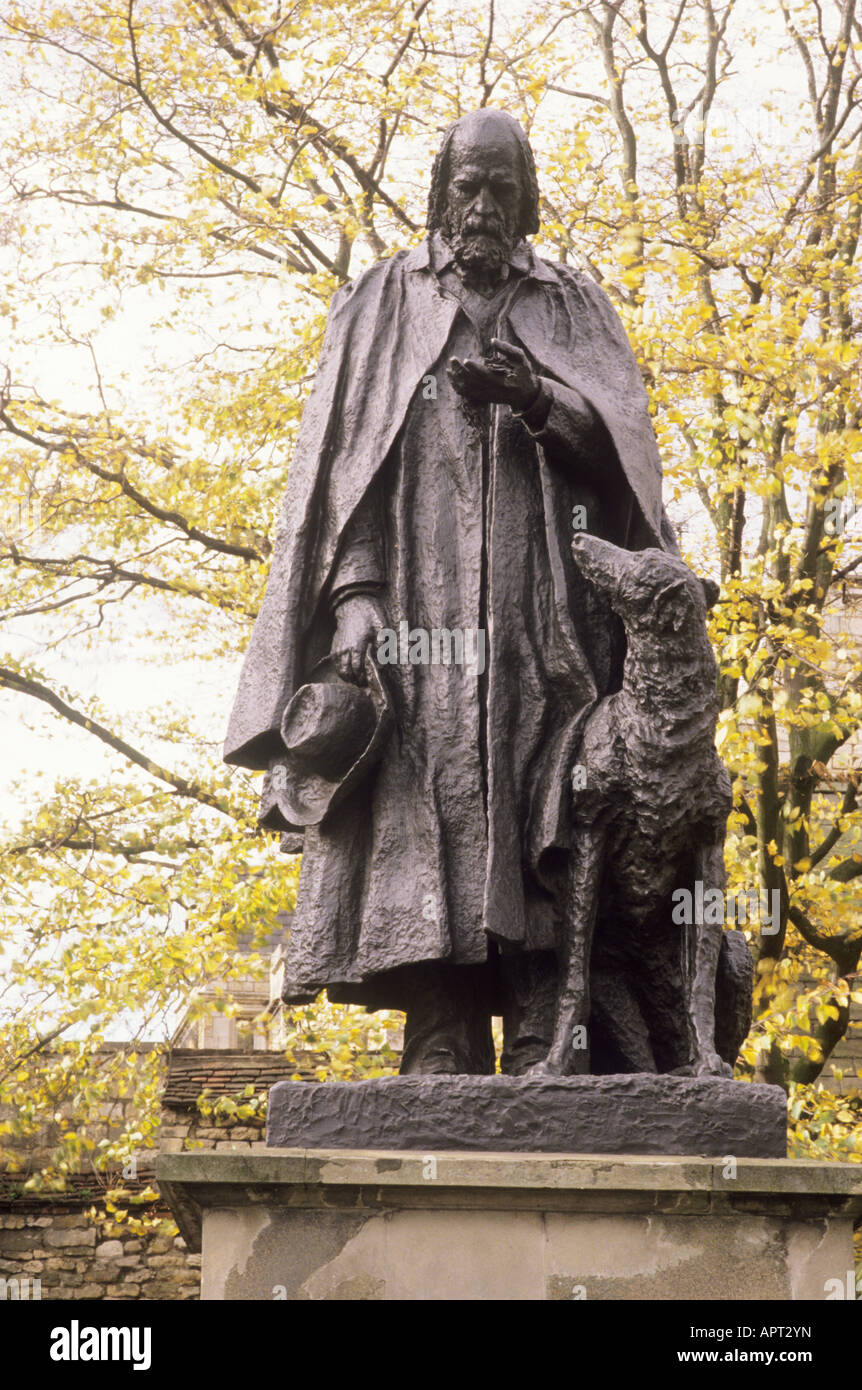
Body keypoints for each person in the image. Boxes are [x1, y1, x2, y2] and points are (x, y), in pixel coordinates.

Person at [223, 109, 679, 1075]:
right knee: (421, 791)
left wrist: (538, 400)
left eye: (502, 189)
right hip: (415, 613)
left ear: (527, 199)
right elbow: (347, 471)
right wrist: (355, 594)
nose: (482, 207)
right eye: (467, 186)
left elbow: (626, 469)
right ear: (440, 192)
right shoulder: (384, 301)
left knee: (548, 789)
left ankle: (546, 1025)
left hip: (547, 609)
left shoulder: (574, 308)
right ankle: (438, 1027)